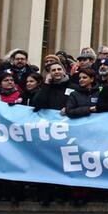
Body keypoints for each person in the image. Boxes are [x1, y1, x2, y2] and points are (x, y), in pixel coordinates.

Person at [29, 61, 76, 206]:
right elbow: (37, 104)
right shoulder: (46, 87)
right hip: (47, 133)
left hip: (65, 133)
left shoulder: (72, 87)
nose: (56, 72)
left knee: (63, 164)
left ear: (64, 70)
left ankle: (61, 194)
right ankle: (45, 195)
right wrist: (47, 84)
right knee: (46, 164)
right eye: (53, 70)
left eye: (59, 69)